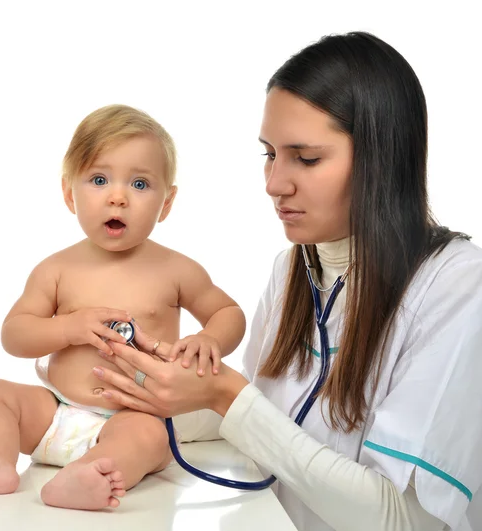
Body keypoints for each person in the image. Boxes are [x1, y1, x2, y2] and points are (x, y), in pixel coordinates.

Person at [90, 33, 482, 531]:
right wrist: (145, 382)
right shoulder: (293, 269)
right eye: (269, 154)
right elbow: (263, 424)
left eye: (306, 158)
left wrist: (226, 397)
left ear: (382, 158)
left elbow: (403, 520)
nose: (275, 183)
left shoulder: (459, 288)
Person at [0, 104, 246, 510]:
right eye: (98, 179)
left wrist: (209, 338)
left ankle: (90, 474)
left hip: (134, 413)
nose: (118, 197)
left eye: (140, 184)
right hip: (55, 410)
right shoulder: (57, 268)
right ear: (69, 193)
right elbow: (14, 334)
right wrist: (68, 328)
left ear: (167, 202)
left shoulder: (177, 269)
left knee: (148, 438)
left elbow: (228, 312)